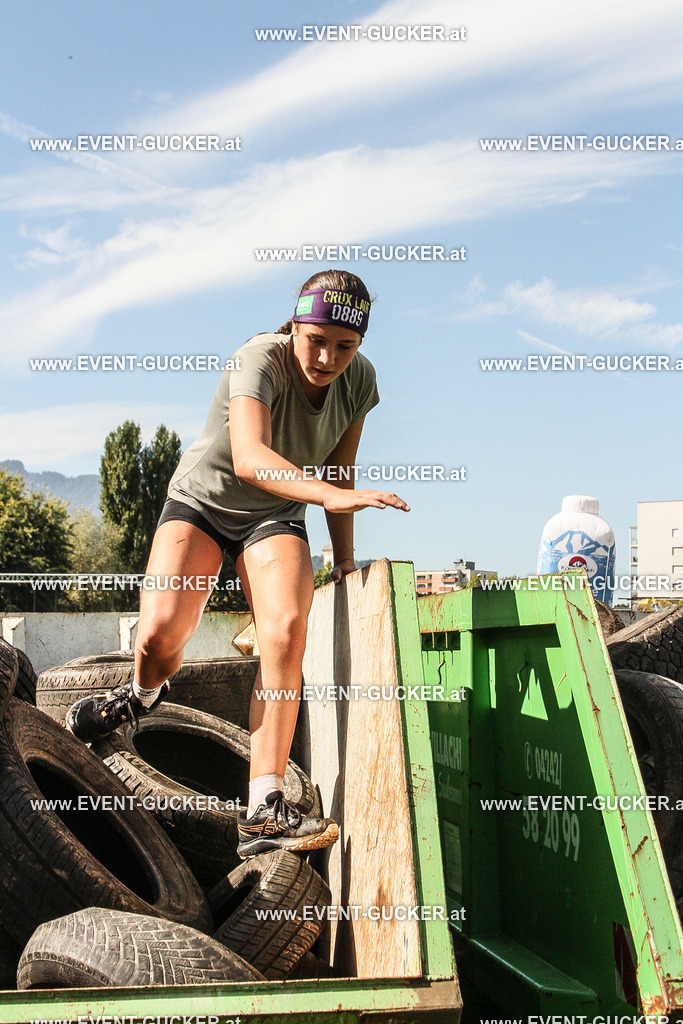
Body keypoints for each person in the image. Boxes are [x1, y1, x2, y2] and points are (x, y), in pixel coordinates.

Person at [67, 269, 409, 858]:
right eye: (316, 340)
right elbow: (251, 458)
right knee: (160, 634)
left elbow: (340, 473)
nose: (328, 357)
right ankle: (136, 700)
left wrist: (346, 560)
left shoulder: (361, 382)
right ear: (296, 325)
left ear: (361, 345)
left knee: (285, 631)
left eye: (345, 346)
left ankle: (264, 806)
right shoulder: (258, 358)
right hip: (204, 501)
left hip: (275, 515)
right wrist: (327, 494)